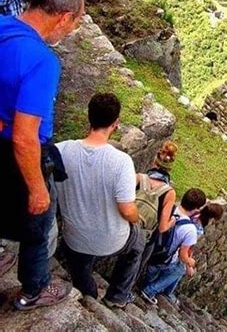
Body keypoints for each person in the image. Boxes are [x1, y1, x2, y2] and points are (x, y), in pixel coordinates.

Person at [0, 0, 84, 310]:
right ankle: (33, 290)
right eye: (73, 25)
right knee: (38, 225)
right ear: (63, 16)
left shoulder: (4, 25)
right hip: (17, 153)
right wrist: (37, 188)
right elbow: (25, 137)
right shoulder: (41, 60)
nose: (69, 32)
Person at [56, 93, 145, 308]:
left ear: (89, 117)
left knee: (80, 265)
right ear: (115, 124)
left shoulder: (60, 150)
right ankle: (117, 296)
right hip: (112, 241)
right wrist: (137, 219)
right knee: (138, 242)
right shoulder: (121, 162)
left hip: (74, 238)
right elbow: (126, 209)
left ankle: (89, 295)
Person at [140, 188, 207, 305]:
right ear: (197, 208)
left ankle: (144, 285)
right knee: (180, 269)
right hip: (164, 259)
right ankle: (149, 290)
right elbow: (182, 256)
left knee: (152, 271)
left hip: (151, 251)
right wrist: (190, 262)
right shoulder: (190, 230)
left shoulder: (170, 208)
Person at [163, 202, 224, 303]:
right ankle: (157, 291)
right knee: (180, 270)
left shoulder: (195, 213)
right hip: (179, 249)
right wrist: (188, 264)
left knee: (179, 269)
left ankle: (167, 292)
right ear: (211, 217)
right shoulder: (198, 228)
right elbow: (189, 246)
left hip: (175, 242)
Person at [137, 141, 179, 272]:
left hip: (124, 225)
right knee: (134, 266)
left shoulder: (139, 178)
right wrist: (173, 221)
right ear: (170, 168)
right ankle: (124, 291)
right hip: (144, 237)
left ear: (154, 162)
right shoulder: (169, 192)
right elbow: (162, 227)